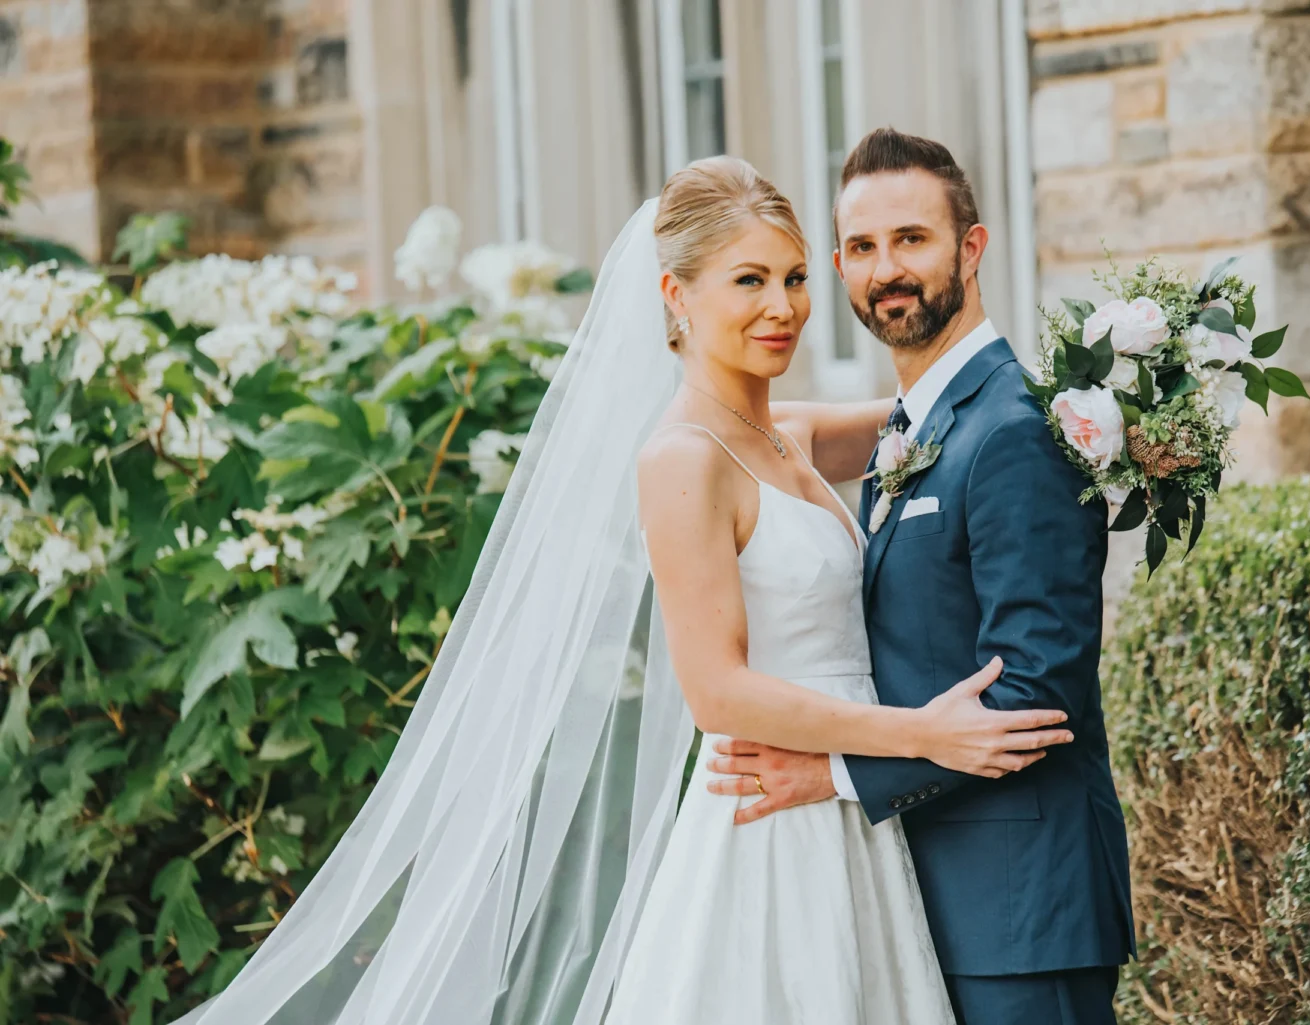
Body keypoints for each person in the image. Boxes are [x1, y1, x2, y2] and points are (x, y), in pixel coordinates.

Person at [172, 153, 1072, 1025]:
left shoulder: (788, 433)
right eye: (747, 281)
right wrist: (919, 734)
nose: (783, 308)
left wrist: (1099, 408)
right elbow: (716, 689)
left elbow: (961, 411)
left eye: (796, 278)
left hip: (854, 818)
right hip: (773, 819)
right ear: (677, 296)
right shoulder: (682, 460)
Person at [705, 128, 1137, 1024]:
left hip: (1023, 909)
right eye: (862, 248)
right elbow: (746, 430)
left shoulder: (1014, 430)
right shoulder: (920, 420)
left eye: (912, 239)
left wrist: (835, 776)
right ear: (838, 268)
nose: (886, 269)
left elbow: (1036, 689)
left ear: (970, 249)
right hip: (927, 894)